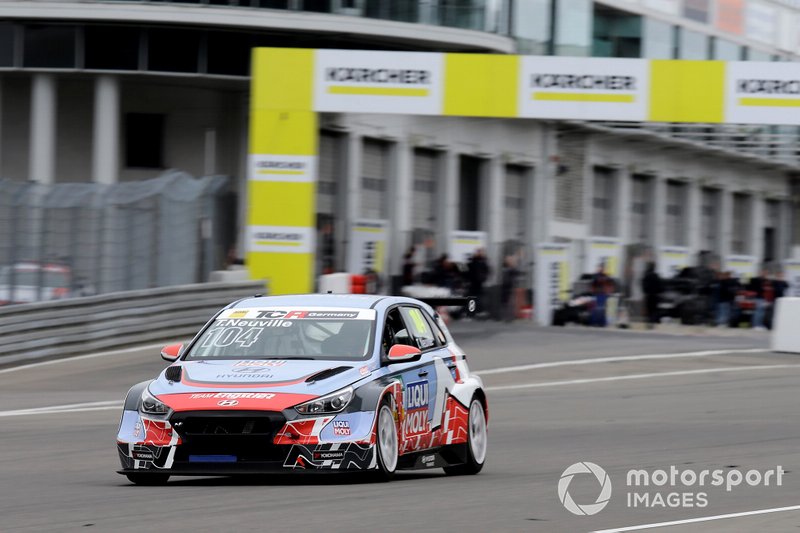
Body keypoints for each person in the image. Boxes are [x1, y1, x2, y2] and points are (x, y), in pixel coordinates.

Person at [641, 262, 662, 329]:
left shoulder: (646, 275)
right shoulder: (656, 276)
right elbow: (660, 286)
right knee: (654, 310)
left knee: (648, 309)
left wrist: (645, 292)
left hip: (648, 295)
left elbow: (643, 285)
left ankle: (648, 323)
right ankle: (653, 322)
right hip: (655, 296)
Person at [499, 254, 519, 322]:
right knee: (505, 302)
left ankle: (509, 317)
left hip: (510, 287)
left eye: (510, 260)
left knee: (510, 302)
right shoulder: (505, 267)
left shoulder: (512, 269)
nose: (509, 261)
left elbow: (515, 275)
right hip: (505, 286)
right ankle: (505, 317)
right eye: (508, 260)